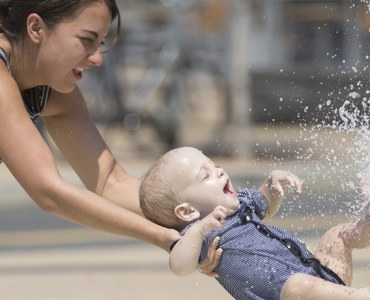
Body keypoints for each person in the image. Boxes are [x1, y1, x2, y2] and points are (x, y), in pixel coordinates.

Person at [0, 0, 219, 273]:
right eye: (86, 40)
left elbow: (110, 182)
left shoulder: (53, 92)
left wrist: (210, 213)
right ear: (35, 28)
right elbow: (48, 192)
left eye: (100, 43)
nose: (97, 58)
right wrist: (168, 239)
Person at [139, 146, 370, 300]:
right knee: (298, 284)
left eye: (213, 164)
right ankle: (366, 296)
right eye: (205, 175)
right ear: (186, 211)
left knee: (337, 237)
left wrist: (271, 186)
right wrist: (198, 230)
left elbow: (265, 205)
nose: (219, 171)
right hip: (291, 294)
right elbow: (179, 266)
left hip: (321, 283)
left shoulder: (239, 203)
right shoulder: (200, 235)